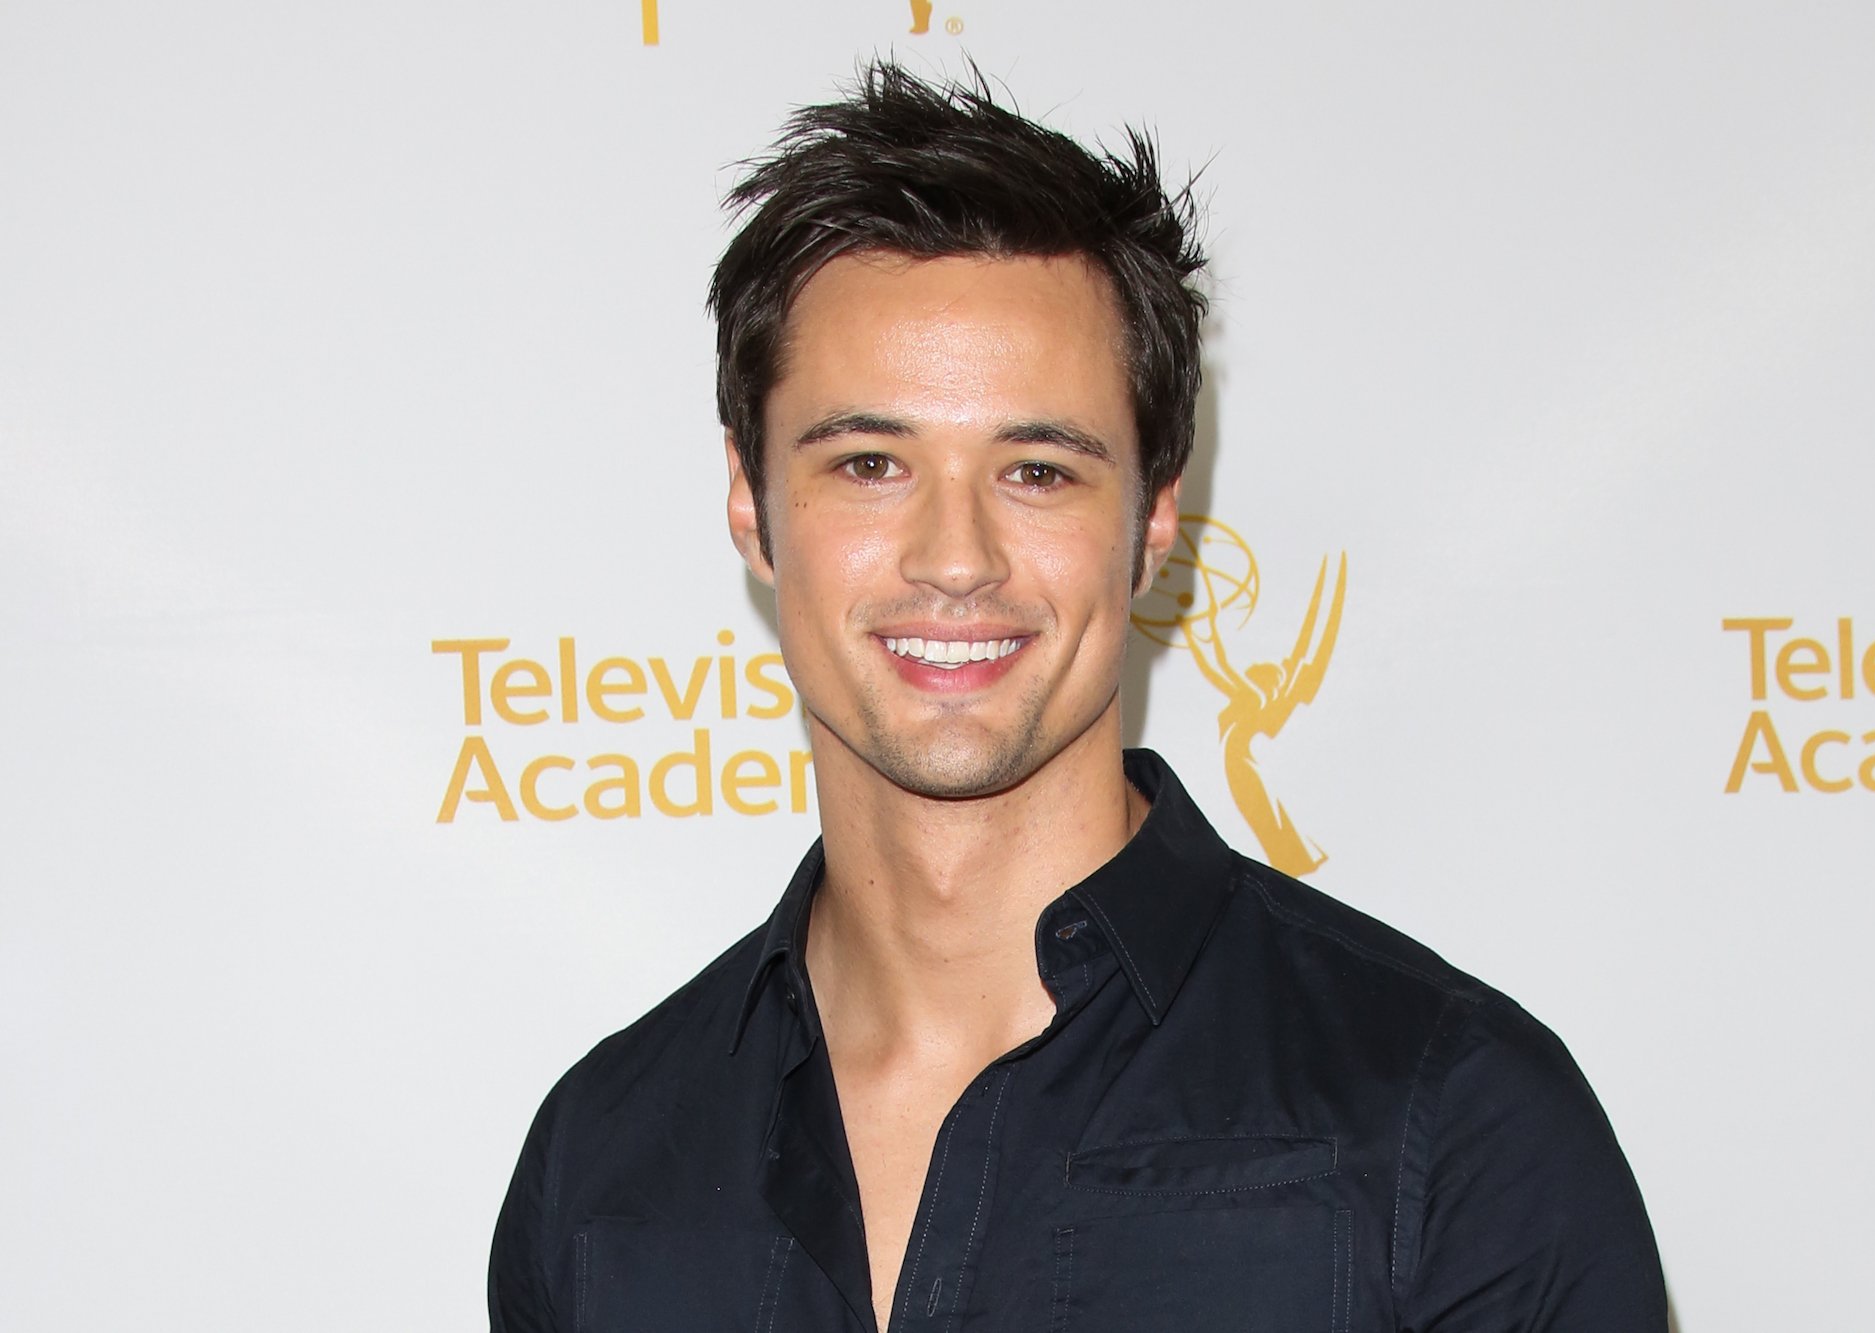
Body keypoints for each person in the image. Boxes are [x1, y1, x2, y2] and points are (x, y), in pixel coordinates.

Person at [489, 62, 1666, 1333]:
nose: (955, 556)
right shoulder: (601, 1163)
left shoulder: (1451, 1123)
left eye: (1038, 470)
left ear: (1155, 515)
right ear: (750, 502)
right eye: (870, 462)